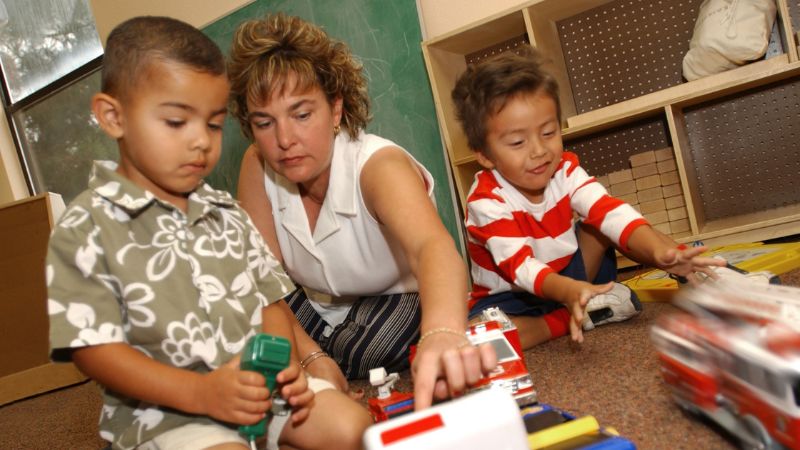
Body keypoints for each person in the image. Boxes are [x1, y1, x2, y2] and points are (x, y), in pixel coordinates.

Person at [46, 16, 370, 450]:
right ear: (113, 116)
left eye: (213, 124)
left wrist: (286, 367)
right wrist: (200, 393)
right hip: (168, 415)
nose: (201, 141)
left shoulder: (226, 212)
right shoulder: (85, 227)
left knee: (357, 430)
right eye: (178, 122)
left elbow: (269, 304)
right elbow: (93, 351)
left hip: (262, 395)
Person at [229, 13, 496, 409]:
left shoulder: (378, 166)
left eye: (302, 114)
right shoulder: (257, 163)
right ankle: (318, 360)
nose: (284, 139)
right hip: (312, 303)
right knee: (241, 316)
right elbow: (262, 278)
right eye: (265, 123)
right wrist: (311, 357)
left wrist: (441, 331)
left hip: (394, 299)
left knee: (365, 351)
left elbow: (433, 248)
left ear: (335, 110)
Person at [450, 48, 727, 350]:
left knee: (605, 223)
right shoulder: (486, 201)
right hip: (514, 296)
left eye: (548, 132)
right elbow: (522, 268)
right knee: (480, 341)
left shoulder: (565, 169)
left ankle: (690, 264)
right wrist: (568, 292)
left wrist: (658, 251)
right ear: (484, 155)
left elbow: (610, 212)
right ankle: (570, 316)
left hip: (572, 273)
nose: (539, 150)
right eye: (518, 142)